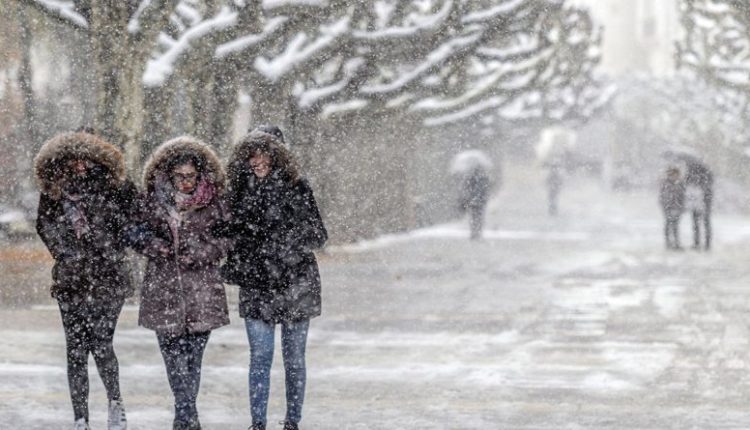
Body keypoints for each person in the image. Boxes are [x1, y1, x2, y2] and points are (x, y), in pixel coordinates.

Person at [215, 129, 327, 430]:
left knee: (294, 360)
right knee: (260, 358)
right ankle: (258, 424)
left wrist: (282, 244)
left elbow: (318, 234)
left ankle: (293, 421)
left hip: (295, 283)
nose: (258, 160)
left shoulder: (297, 188)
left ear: (279, 155)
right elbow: (224, 232)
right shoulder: (237, 192)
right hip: (256, 285)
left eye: (265, 153)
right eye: (252, 154)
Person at [34, 130, 136, 430]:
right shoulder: (54, 189)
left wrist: (108, 245)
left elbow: (132, 221)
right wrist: (65, 252)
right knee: (75, 350)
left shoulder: (115, 186)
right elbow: (44, 224)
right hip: (71, 281)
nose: (80, 164)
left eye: (87, 157)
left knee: (102, 344)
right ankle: (81, 418)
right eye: (74, 158)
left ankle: (115, 404)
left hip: (109, 279)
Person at [132, 136, 230, 430]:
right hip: (163, 290)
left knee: (192, 359)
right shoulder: (152, 201)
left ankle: (184, 414)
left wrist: (204, 252)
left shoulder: (215, 202)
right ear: (168, 174)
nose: (185, 182)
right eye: (179, 176)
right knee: (173, 359)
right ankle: (186, 414)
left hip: (202, 292)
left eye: (191, 176)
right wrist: (156, 247)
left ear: (200, 174)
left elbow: (229, 237)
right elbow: (134, 232)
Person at [458, 165, 490, 240]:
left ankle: (474, 232)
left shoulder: (470, 178)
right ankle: (478, 233)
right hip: (481, 202)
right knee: (479, 217)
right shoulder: (484, 178)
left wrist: (468, 197)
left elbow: (466, 189)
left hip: (473, 201)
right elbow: (486, 190)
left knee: (473, 217)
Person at [659, 166, 685, 250]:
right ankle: (668, 243)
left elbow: (682, 196)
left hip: (677, 208)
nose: (676, 176)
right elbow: (663, 197)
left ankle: (676, 243)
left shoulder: (680, 184)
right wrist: (665, 206)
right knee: (668, 225)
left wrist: (681, 207)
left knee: (675, 226)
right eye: (674, 174)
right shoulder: (666, 184)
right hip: (669, 208)